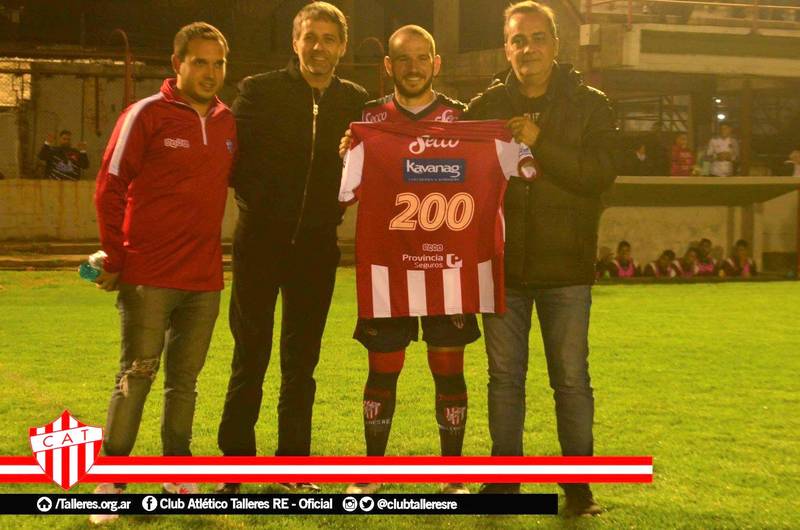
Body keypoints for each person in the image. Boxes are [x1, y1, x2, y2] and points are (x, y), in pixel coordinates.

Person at [463, 1, 618, 516]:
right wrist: (368, 144)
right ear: (506, 48)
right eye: (518, 40)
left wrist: (539, 142)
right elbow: (440, 150)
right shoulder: (487, 105)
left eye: (536, 38)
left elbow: (597, 175)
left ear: (556, 44)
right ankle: (503, 483)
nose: (527, 48)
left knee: (570, 381)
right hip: (502, 266)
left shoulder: (591, 105)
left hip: (566, 267)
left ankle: (579, 488)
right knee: (504, 380)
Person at [216, 1, 368, 495]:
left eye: (329, 39)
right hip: (260, 242)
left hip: (317, 247)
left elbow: (370, 165)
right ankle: (236, 465)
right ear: (295, 41)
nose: (319, 47)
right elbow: (232, 159)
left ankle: (293, 465)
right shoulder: (259, 90)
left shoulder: (356, 101)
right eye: (311, 37)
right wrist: (261, 205)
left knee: (301, 362)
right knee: (250, 354)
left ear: (342, 47)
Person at [89, 21, 236, 523]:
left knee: (184, 383)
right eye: (200, 62)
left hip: (204, 278)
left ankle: (177, 474)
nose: (210, 73)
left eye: (219, 64)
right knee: (137, 374)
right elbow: (109, 184)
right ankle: (111, 480)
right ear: (178, 64)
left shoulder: (227, 122)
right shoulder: (146, 114)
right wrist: (116, 256)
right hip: (148, 275)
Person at [337, 25, 475, 496]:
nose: (413, 67)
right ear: (388, 66)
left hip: (446, 264)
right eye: (403, 59)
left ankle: (453, 476)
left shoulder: (463, 120)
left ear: (436, 63)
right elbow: (347, 193)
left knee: (448, 369)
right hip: (388, 265)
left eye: (422, 58)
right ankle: (371, 471)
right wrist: (348, 154)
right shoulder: (369, 121)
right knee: (383, 368)